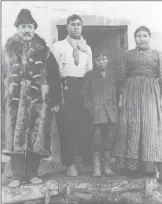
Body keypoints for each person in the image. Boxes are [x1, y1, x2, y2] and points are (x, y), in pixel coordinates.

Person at [2, 9, 62, 186]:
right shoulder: (7, 50)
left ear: (34, 29)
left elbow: (54, 76)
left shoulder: (45, 51)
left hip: (39, 103)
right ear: (17, 29)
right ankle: (17, 176)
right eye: (23, 27)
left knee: (38, 137)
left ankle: (32, 174)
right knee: (15, 137)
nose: (26, 30)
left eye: (29, 26)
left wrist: (56, 100)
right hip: (14, 103)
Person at [115, 26, 162, 183]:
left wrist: (159, 96)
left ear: (149, 37)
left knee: (149, 128)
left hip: (151, 93)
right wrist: (124, 94)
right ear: (134, 38)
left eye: (145, 36)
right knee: (132, 126)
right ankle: (131, 167)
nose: (142, 38)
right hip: (132, 93)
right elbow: (121, 76)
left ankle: (148, 168)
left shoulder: (157, 54)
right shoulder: (127, 55)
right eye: (139, 36)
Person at [51, 14, 93, 176]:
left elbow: (89, 71)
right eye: (72, 24)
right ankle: (69, 164)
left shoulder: (86, 48)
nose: (76, 27)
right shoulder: (58, 46)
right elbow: (53, 72)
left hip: (82, 88)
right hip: (65, 88)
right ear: (67, 27)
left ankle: (83, 161)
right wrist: (56, 95)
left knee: (82, 125)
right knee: (66, 126)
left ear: (82, 27)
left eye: (78, 24)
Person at [82, 47, 118, 176]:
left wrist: (117, 107)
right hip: (96, 113)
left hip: (111, 113)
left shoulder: (114, 74)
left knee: (109, 139)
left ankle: (107, 167)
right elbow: (85, 94)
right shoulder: (89, 75)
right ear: (94, 61)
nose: (101, 62)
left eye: (104, 59)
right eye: (98, 59)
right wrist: (90, 108)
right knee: (96, 140)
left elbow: (119, 92)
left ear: (108, 60)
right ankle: (96, 167)